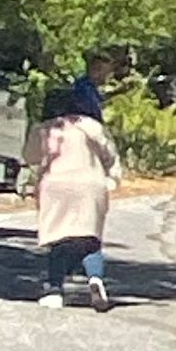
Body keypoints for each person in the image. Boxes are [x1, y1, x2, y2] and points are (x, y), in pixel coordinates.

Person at [33, 88, 119, 310]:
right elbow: (109, 153)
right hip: (90, 185)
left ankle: (54, 290)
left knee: (59, 239)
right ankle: (95, 279)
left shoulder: (44, 129)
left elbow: (30, 156)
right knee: (89, 240)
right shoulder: (90, 126)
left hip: (56, 187)